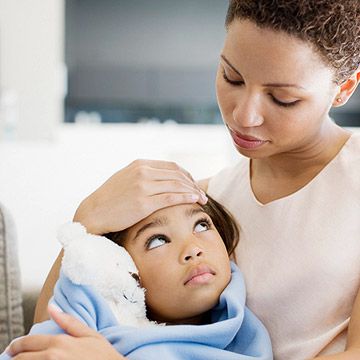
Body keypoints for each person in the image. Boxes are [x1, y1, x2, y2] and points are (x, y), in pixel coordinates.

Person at [9, 0, 360, 359]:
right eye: (231, 77)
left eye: (282, 98)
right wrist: (87, 219)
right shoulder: (201, 203)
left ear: (344, 88)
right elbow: (53, 337)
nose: (244, 114)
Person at [4, 198, 273, 359]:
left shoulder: (248, 338)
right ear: (124, 268)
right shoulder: (88, 322)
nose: (193, 249)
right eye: (158, 240)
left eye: (202, 225)